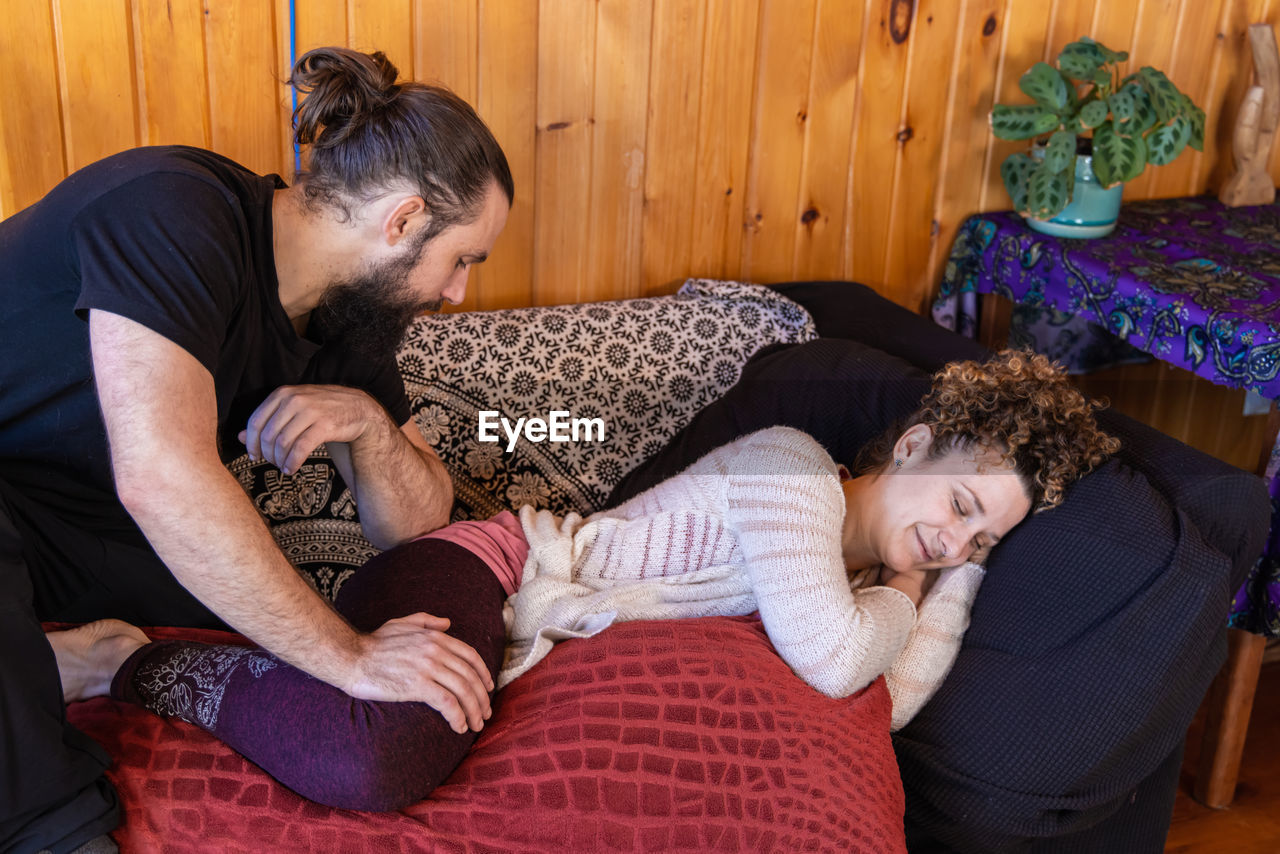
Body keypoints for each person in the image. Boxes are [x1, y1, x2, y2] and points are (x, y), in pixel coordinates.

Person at [49, 350, 1120, 813]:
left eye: (982, 542)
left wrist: (955, 584)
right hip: (493, 562)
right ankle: (133, 657)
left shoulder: (851, 573)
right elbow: (843, 657)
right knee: (379, 754)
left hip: (526, 616)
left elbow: (883, 702)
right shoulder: (796, 474)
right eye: (960, 505)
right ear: (919, 443)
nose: (951, 540)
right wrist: (909, 589)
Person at [0, 47, 512, 852]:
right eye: (461, 261)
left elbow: (415, 528)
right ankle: (52, 830)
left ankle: (69, 663)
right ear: (404, 221)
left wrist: (371, 427)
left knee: (249, 633)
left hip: (66, 527)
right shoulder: (172, 211)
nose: (457, 294)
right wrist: (351, 658)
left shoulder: (348, 324)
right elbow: (162, 477)